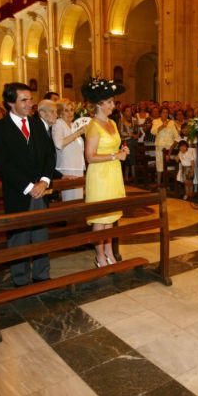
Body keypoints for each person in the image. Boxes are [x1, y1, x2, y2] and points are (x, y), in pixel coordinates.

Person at [0, 83, 56, 287]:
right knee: (19, 236)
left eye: (30, 99)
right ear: (11, 103)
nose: (30, 104)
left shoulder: (36, 124)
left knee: (40, 235)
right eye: (24, 100)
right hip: (18, 191)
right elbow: (4, 164)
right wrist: (29, 186)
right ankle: (20, 278)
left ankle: (42, 274)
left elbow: (49, 155)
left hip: (41, 189)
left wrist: (44, 180)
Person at [83, 77, 129, 267]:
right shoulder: (93, 126)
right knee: (99, 218)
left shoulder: (111, 122)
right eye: (110, 102)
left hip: (113, 173)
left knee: (110, 217)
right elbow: (90, 157)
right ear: (100, 105)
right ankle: (99, 255)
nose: (113, 105)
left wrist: (122, 152)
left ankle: (109, 252)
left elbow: (115, 147)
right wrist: (114, 156)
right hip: (99, 175)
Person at [51, 100, 86, 201]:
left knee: (78, 200)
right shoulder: (58, 124)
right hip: (67, 168)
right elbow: (59, 144)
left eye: (71, 110)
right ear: (60, 112)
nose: (70, 113)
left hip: (77, 167)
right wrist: (78, 133)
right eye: (66, 110)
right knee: (70, 201)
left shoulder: (73, 125)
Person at [150, 107, 179, 184]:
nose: (165, 114)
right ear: (160, 113)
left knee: (169, 168)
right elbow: (153, 131)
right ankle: (159, 184)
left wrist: (172, 147)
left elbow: (177, 136)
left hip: (170, 149)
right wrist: (162, 126)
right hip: (160, 147)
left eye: (166, 112)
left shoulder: (171, 122)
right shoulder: (156, 121)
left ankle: (168, 184)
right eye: (163, 112)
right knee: (160, 167)